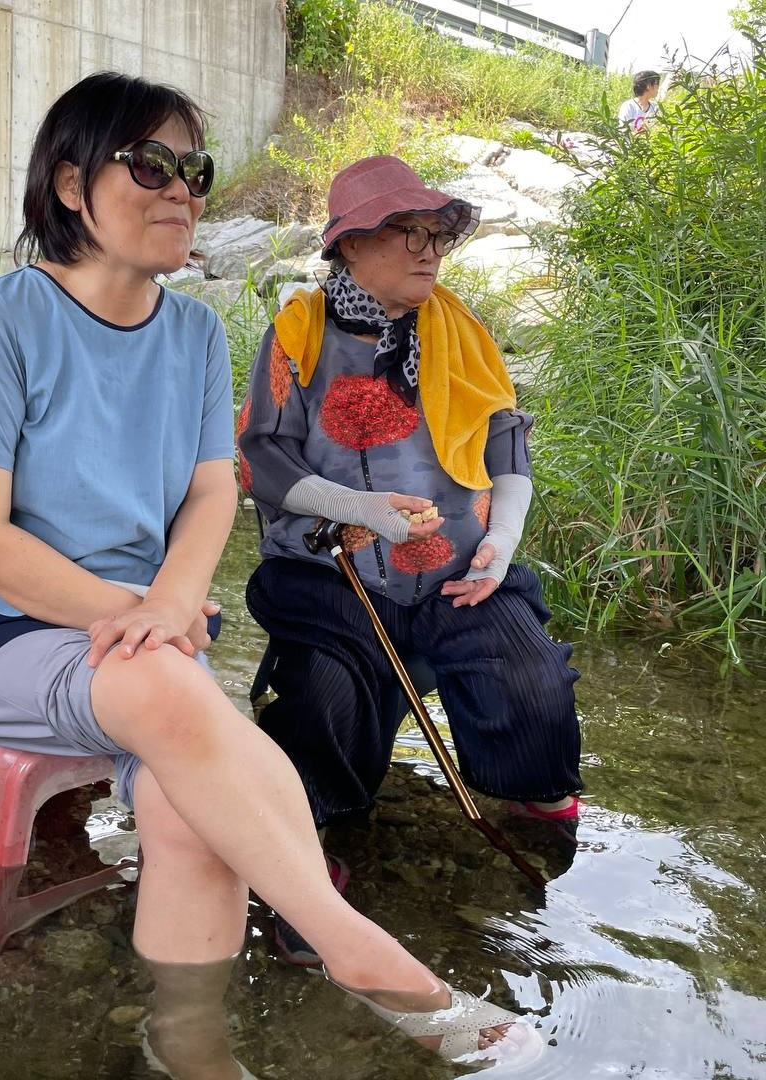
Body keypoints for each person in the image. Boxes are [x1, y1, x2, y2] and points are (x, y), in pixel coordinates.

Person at [0, 73, 544, 1071]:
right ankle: (360, 953)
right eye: (152, 165)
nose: (183, 190)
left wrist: (170, 598)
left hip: (143, 642)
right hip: (4, 627)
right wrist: (146, 613)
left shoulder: (194, 332)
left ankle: (190, 1048)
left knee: (184, 807)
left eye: (194, 170)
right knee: (171, 688)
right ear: (72, 186)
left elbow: (217, 490)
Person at [238, 155, 583, 964]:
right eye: (404, 233)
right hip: (333, 574)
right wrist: (356, 509)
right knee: (319, 695)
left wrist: (500, 546)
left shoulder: (462, 331)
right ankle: (302, 846)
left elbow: (508, 451)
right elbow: (265, 455)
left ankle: (530, 793)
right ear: (350, 248)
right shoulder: (300, 333)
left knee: (531, 682)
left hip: (457, 571)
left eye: (435, 234)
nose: (427, 250)